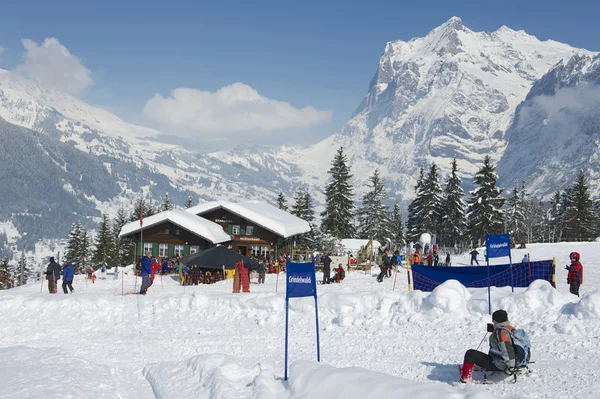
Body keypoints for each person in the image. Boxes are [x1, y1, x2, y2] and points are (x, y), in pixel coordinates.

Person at [459, 310, 516, 383]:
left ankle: (465, 378)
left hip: (500, 364)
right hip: (509, 361)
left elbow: (507, 350)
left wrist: (510, 367)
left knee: (470, 354)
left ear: (495, 320)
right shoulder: (510, 328)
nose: (492, 321)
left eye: (493, 320)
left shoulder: (501, 333)